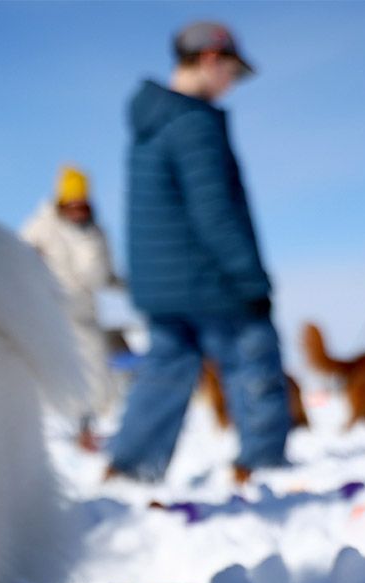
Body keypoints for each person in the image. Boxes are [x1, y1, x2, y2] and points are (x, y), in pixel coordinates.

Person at [105, 21, 291, 484]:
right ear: (210, 59)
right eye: (231, 70)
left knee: (164, 373)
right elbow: (215, 211)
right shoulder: (193, 122)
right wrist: (250, 279)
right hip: (209, 279)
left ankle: (129, 468)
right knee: (254, 359)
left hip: (161, 281)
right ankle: (263, 468)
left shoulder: (151, 121)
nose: (232, 83)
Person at [21, 166, 121, 451]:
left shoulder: (97, 234)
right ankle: (64, 434)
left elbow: (108, 273)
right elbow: (20, 256)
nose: (77, 210)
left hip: (88, 313)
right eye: (72, 204)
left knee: (98, 378)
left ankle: (86, 429)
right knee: (64, 376)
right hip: (53, 312)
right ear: (62, 202)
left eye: (82, 204)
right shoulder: (41, 226)